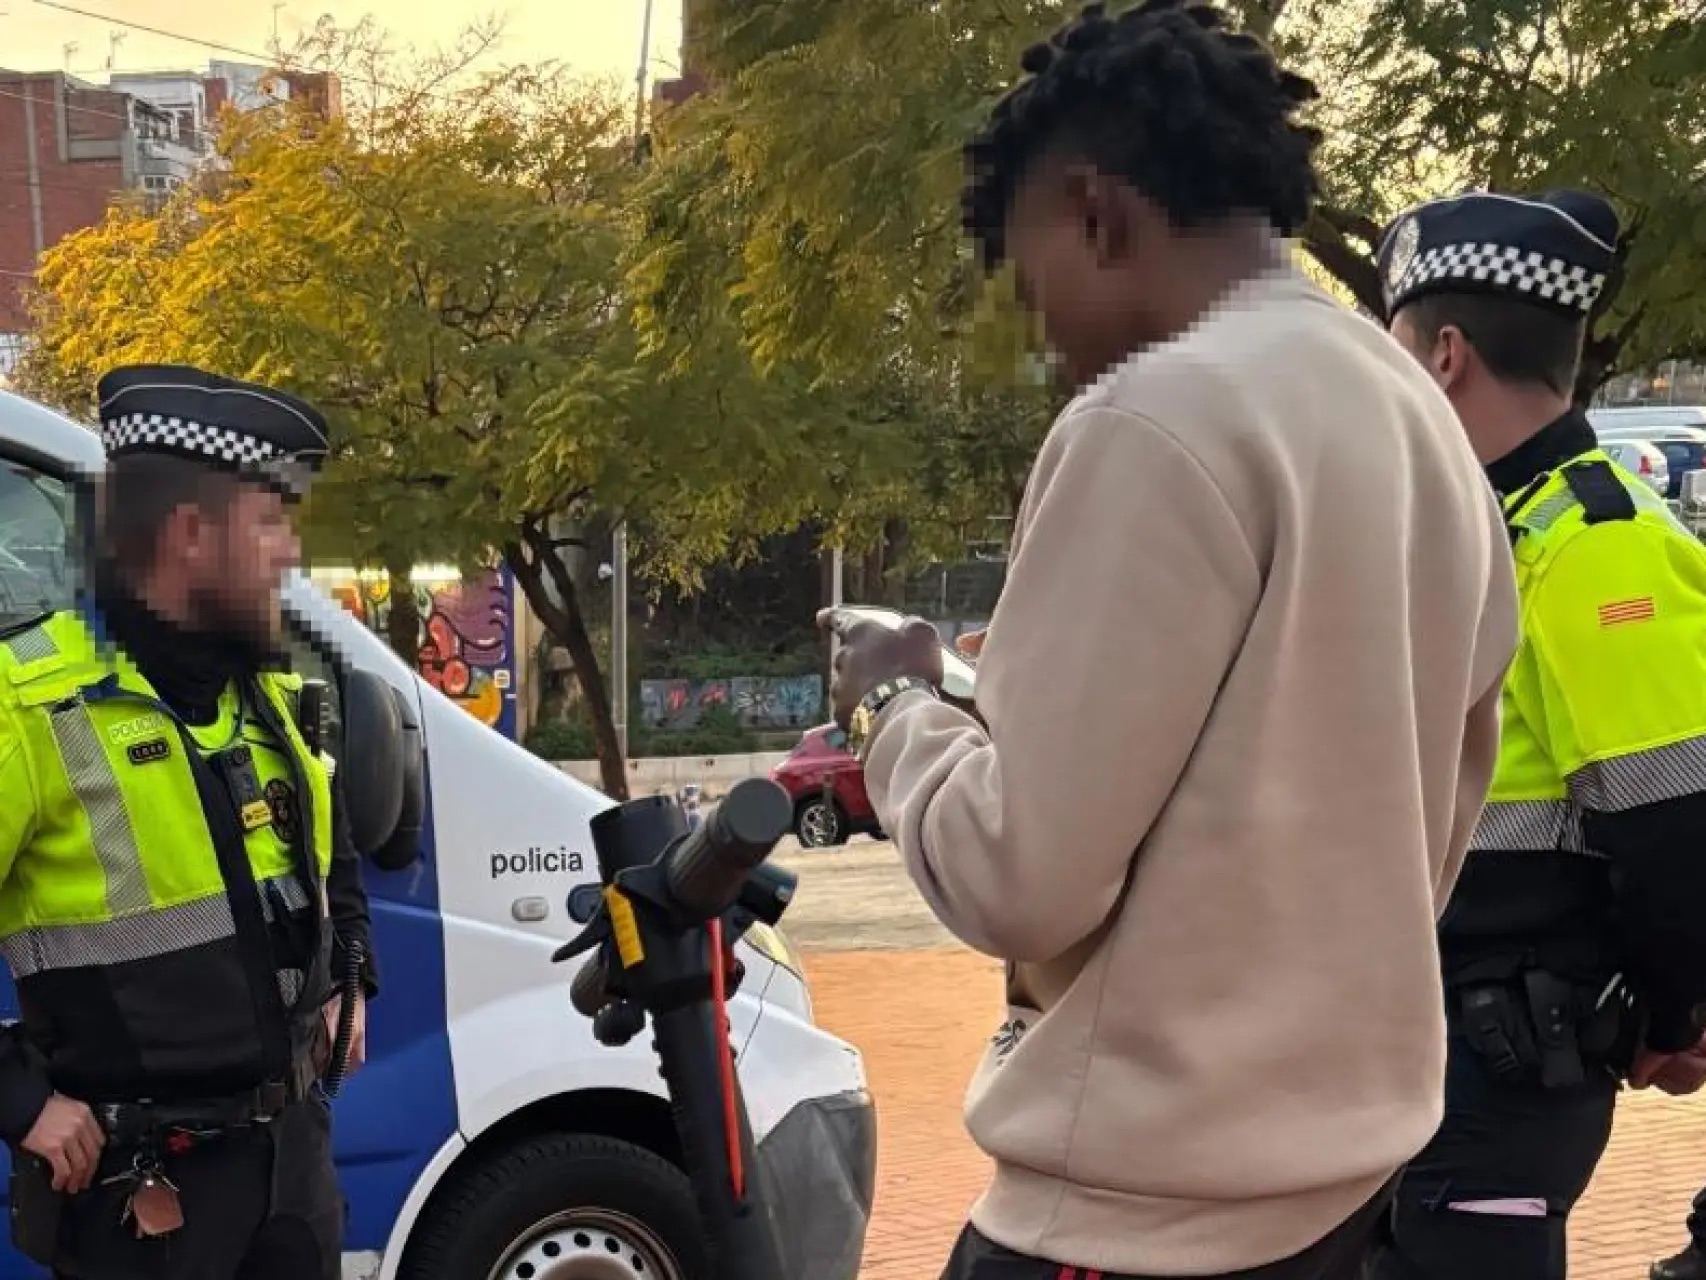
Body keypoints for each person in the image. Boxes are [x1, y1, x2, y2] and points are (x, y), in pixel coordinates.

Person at [819, 2, 1517, 1277]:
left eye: (1035, 285)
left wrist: (896, 712)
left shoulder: (1155, 416)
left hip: (1134, 1207)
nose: (1046, 340)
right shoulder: (1417, 419)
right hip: (1336, 1186)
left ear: (1092, 209)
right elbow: (1417, 805)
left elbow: (1018, 871)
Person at [1366, 188, 1706, 1280]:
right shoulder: (1481, 530)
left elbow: (1672, 818)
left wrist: (1672, 1011)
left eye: (1394, 350)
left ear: (1445, 355)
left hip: (1505, 1057)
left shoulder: (1592, 541)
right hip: (1423, 1041)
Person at [0, 364, 379, 1279]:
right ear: (189, 536)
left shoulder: (267, 694)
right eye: (270, 523)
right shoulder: (30, 707)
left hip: (291, 1170)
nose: (290, 553)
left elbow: (332, 851)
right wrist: (20, 1104)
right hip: (143, 1203)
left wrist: (351, 970)